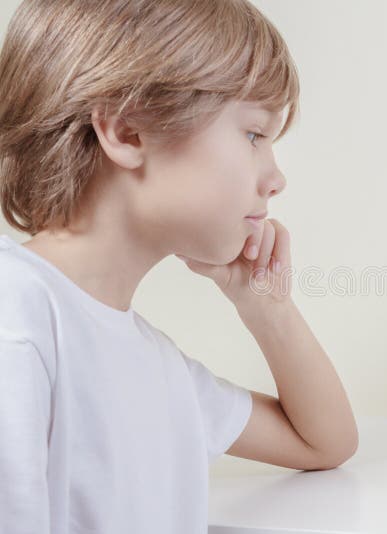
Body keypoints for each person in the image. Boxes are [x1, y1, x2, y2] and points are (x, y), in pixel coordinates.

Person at [0, 1, 358, 532]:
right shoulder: (18, 318)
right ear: (127, 131)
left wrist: (266, 308)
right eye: (255, 134)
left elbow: (324, 442)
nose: (275, 178)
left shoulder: (157, 366)